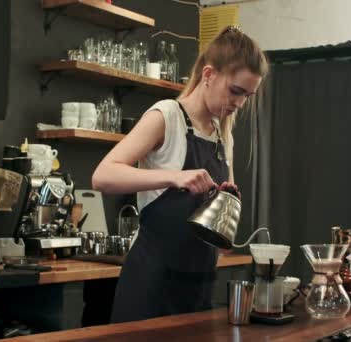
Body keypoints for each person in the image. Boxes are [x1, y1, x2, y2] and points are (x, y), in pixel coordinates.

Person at [92, 26, 268, 323]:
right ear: (209, 75)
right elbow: (103, 176)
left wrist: (223, 197)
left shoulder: (224, 135)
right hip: (151, 283)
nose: (239, 103)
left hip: (197, 283)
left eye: (247, 96)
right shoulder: (167, 116)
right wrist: (173, 176)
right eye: (236, 91)